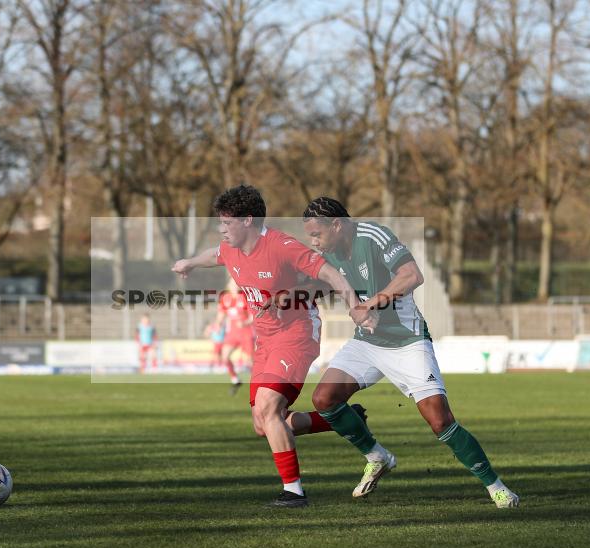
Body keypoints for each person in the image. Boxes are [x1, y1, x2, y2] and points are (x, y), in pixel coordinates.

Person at [302, 197, 520, 508]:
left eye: (316, 234)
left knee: (440, 421)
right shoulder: (330, 254)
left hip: (407, 342)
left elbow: (412, 275)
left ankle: (496, 486)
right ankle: (377, 456)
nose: (314, 241)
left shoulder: (374, 237)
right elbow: (315, 286)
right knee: (324, 398)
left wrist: (371, 303)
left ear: (336, 225)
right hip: (367, 343)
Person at [172, 185, 374, 508]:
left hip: (296, 333)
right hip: (264, 340)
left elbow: (330, 274)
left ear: (248, 220)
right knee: (263, 423)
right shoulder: (231, 247)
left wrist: (355, 306)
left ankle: (294, 492)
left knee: (268, 407)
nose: (221, 229)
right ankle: (342, 418)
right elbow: (215, 255)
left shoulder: (282, 246)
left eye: (227, 223)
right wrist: (189, 263)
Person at [216, 280, 255, 394]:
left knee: (250, 361)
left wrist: (246, 322)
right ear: (228, 285)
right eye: (232, 284)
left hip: (246, 332)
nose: (234, 286)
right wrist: (218, 324)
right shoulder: (225, 297)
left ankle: (259, 384)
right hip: (232, 333)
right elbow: (222, 313)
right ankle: (235, 379)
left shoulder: (245, 297)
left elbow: (253, 316)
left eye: (236, 284)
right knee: (225, 356)